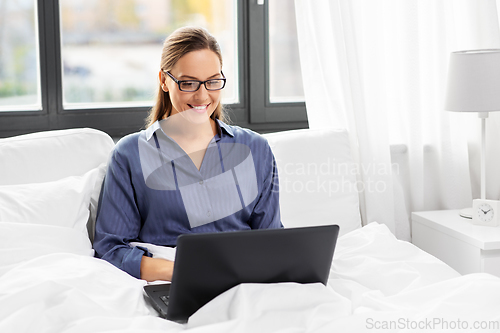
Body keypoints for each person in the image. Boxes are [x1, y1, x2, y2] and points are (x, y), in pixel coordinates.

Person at [93, 27, 282, 282]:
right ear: (164, 80)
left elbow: (272, 240)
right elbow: (111, 249)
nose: (202, 96)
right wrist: (183, 271)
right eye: (188, 83)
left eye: (213, 81)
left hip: (246, 281)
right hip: (174, 282)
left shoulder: (256, 149)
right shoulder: (129, 155)